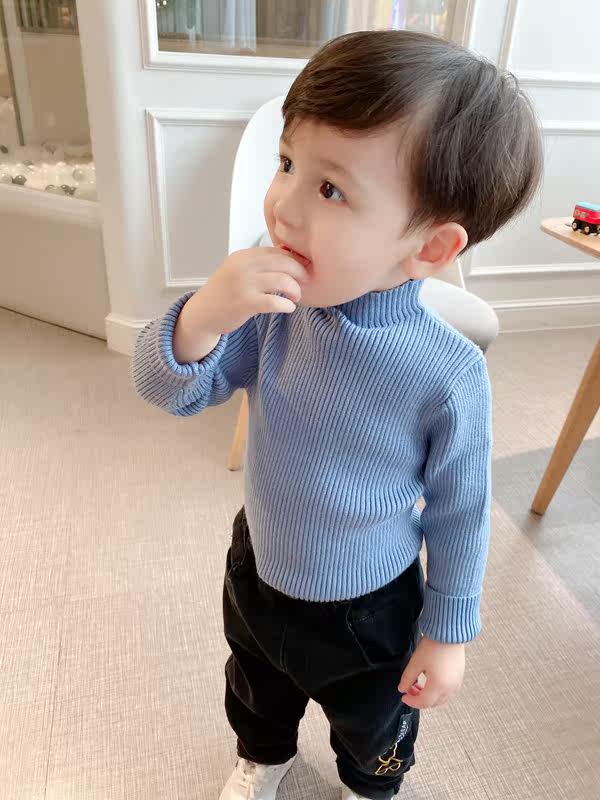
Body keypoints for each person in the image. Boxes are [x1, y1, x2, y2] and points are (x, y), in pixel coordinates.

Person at [131, 30, 542, 800]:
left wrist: (448, 633)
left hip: (372, 608)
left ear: (430, 247)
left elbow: (461, 512)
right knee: (256, 691)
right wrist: (204, 315)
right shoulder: (272, 310)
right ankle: (264, 758)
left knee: (374, 728)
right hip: (260, 567)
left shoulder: (448, 373)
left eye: (330, 190)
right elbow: (167, 388)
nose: (283, 206)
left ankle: (366, 787)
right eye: (287, 163)